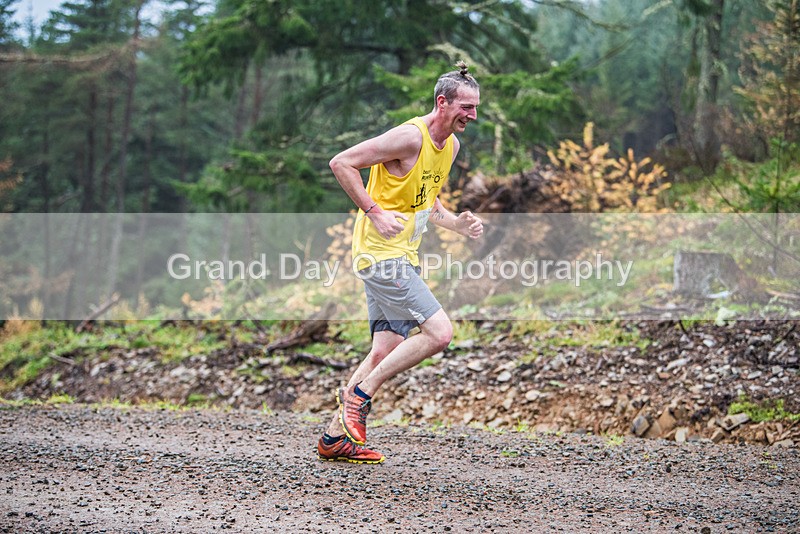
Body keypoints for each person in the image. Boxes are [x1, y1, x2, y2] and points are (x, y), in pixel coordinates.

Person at [317, 62, 484, 464]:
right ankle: (360, 396)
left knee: (384, 349)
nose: (472, 115)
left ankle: (334, 438)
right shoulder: (409, 137)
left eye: (476, 107)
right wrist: (373, 210)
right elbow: (341, 162)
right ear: (442, 103)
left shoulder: (452, 147)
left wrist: (455, 224)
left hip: (400, 256)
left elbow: (425, 201)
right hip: (380, 256)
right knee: (440, 332)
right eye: (466, 106)